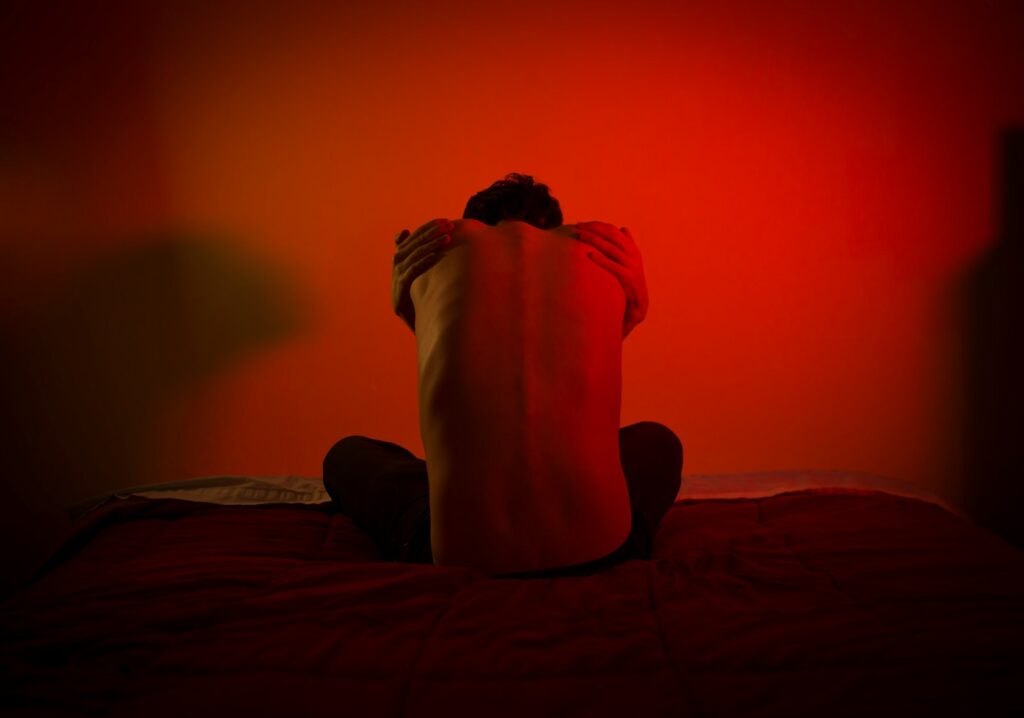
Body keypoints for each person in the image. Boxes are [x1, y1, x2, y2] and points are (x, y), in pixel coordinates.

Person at [323, 173, 682, 578]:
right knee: (657, 441)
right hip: (603, 551)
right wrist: (635, 312)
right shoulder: (592, 255)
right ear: (551, 227)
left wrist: (406, 306)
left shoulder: (441, 250)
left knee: (348, 455)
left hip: (460, 554)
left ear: (477, 222)